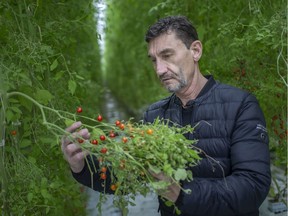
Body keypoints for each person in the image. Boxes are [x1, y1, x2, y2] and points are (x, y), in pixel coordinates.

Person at [61, 15, 271, 216]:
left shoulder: (241, 105)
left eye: (167, 55)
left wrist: (183, 193)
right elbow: (128, 177)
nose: (160, 70)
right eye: (154, 60)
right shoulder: (155, 115)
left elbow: (253, 186)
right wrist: (82, 166)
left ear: (195, 51)